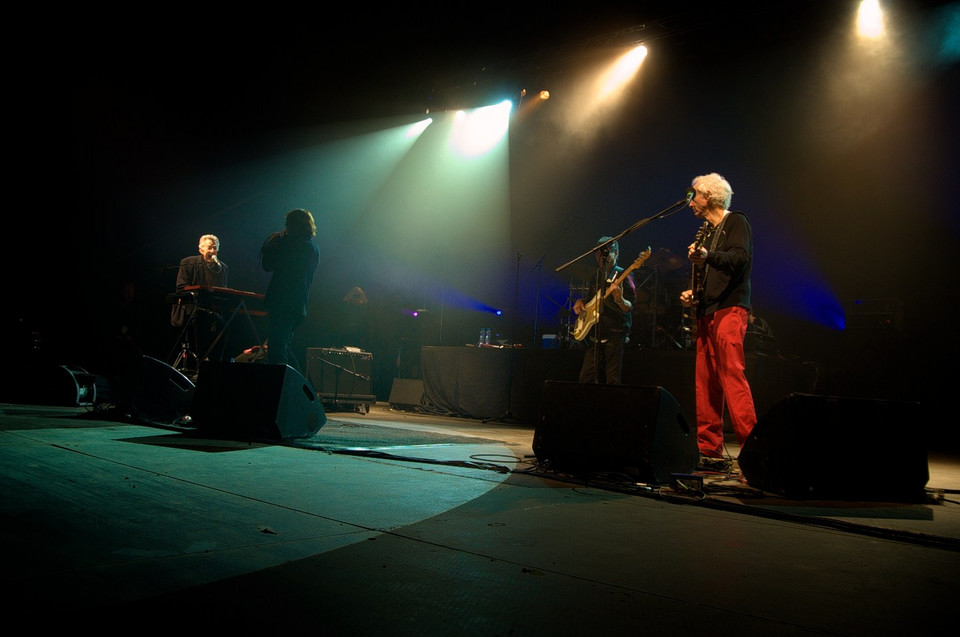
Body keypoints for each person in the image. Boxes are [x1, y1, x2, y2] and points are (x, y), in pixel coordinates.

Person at [679, 173, 757, 472]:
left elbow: (738, 258)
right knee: (706, 381)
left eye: (694, 195)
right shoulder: (708, 232)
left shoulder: (736, 222)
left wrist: (707, 255)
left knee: (730, 375)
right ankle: (708, 448)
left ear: (708, 196)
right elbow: (712, 273)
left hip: (730, 309)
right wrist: (693, 294)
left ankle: (752, 449)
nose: (690, 203)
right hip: (707, 310)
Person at [260, 208, 320, 370]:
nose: (285, 228)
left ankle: (285, 391)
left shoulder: (292, 244)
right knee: (283, 347)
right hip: (298, 305)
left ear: (293, 225)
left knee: (277, 351)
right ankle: (304, 389)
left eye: (288, 225)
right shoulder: (312, 248)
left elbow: (267, 264)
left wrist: (274, 242)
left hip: (283, 302)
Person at [572, 236, 636, 384]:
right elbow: (590, 299)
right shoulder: (596, 276)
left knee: (612, 380)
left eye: (606, 253)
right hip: (596, 333)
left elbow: (629, 307)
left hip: (615, 333)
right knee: (585, 379)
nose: (601, 257)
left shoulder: (624, 275)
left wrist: (619, 299)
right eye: (598, 254)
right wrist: (581, 302)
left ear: (616, 253)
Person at [170, 234, 228, 365]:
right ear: (201, 249)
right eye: (209, 248)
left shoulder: (222, 268)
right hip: (192, 308)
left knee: (224, 325)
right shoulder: (188, 262)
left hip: (212, 310)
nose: (213, 251)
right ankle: (200, 362)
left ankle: (214, 363)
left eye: (215, 248)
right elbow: (181, 286)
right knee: (201, 320)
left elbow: (222, 291)